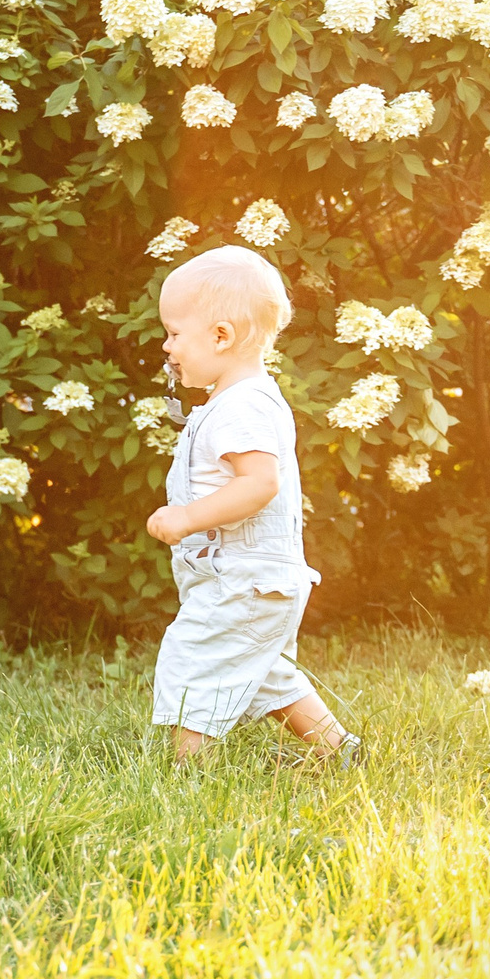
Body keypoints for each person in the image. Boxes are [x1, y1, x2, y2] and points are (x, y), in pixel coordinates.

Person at [144, 245, 361, 763]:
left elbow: (259, 484)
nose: (167, 346)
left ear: (221, 336)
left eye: (175, 333)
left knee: (193, 657)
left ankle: (188, 775)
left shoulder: (242, 406)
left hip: (244, 578)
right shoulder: (236, 399)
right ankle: (340, 750)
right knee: (265, 672)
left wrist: (188, 517)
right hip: (253, 579)